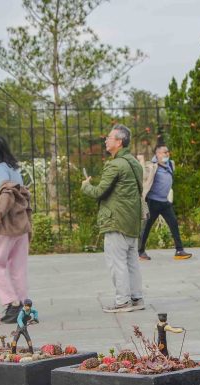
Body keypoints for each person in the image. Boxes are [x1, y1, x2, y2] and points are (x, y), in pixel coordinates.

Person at [81, 124, 145, 313]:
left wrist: (86, 186)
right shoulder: (133, 162)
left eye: (109, 137)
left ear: (119, 141)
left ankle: (122, 301)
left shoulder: (115, 164)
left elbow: (99, 191)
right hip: (132, 219)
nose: (106, 140)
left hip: (116, 220)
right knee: (131, 261)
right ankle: (136, 297)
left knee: (117, 262)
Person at [0, 136, 32, 324]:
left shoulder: (0, 169)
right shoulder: (14, 169)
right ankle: (24, 307)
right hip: (20, 223)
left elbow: (7, 192)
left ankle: (12, 303)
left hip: (6, 224)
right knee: (17, 267)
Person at [138, 144, 191, 262]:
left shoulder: (171, 164)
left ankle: (179, 250)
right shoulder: (152, 166)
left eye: (167, 152)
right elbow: (143, 175)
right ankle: (140, 252)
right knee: (146, 227)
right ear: (157, 154)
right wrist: (141, 161)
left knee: (174, 224)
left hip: (164, 202)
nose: (167, 154)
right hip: (152, 202)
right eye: (164, 152)